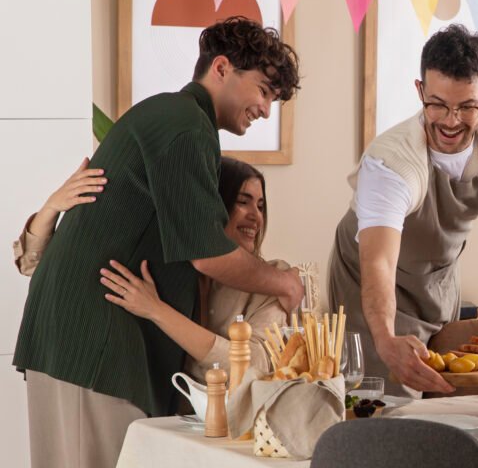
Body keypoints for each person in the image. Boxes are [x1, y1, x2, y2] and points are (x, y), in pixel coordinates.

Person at [12, 16, 302, 468]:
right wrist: (284, 283)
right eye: (263, 91)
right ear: (222, 68)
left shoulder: (175, 121)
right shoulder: (183, 125)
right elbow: (206, 253)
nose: (266, 109)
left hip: (83, 341)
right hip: (91, 343)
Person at [328, 24, 478, 395]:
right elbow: (378, 261)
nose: (450, 120)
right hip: (371, 282)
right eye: (437, 104)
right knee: (384, 406)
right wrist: (385, 338)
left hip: (438, 279)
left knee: (451, 400)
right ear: (420, 90)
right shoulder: (391, 161)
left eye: (466, 106)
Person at [16, 156, 287, 384]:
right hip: (156, 417)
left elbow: (257, 364)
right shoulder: (165, 266)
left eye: (260, 206)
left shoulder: (272, 281)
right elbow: (41, 267)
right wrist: (52, 206)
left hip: (232, 427)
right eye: (243, 201)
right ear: (212, 206)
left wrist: (157, 311)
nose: (256, 215)